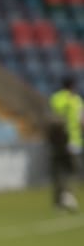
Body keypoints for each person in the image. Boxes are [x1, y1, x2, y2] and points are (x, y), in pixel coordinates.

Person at [47, 75, 81, 212]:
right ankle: (68, 195)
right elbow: (81, 121)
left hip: (56, 140)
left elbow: (51, 118)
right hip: (72, 140)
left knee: (57, 171)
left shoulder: (55, 98)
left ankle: (58, 201)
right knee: (71, 170)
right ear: (73, 85)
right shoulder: (76, 100)